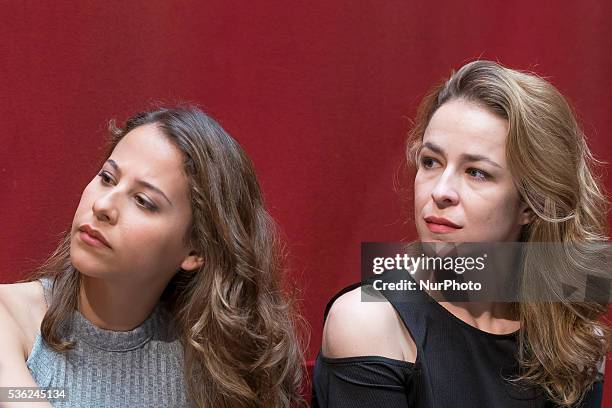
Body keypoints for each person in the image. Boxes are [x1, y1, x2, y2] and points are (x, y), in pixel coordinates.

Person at [312, 60, 610, 407]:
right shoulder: (370, 321)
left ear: (531, 204)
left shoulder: (575, 339)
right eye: (430, 162)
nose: (441, 191)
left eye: (477, 173)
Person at [0, 107, 305, 407]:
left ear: (196, 249)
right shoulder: (10, 319)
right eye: (107, 178)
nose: (103, 205)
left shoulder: (211, 366)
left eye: (143, 201)